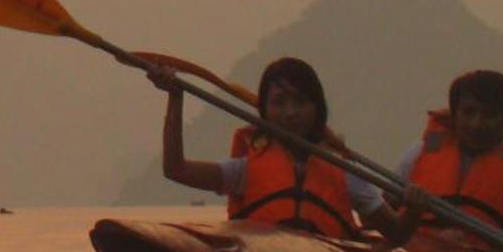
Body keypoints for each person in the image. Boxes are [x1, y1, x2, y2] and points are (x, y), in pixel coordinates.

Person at [149, 56, 387, 239]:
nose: (291, 113)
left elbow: (397, 233)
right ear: (265, 113)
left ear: (318, 108)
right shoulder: (245, 171)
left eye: (301, 102)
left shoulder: (345, 173)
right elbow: (175, 169)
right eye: (279, 103)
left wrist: (414, 209)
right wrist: (175, 98)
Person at [385, 69, 503, 252]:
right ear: (454, 116)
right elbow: (381, 214)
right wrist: (411, 213)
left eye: (490, 115)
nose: (477, 124)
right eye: (468, 112)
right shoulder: (416, 156)